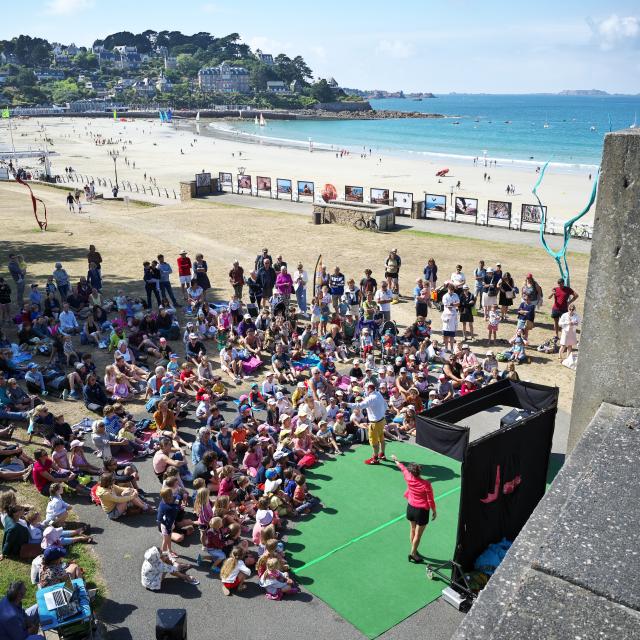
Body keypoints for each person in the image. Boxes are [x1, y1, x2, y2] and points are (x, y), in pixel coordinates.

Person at [391, 454, 437, 563]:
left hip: (410, 508)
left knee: (412, 529)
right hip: (421, 511)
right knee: (418, 534)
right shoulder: (426, 484)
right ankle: (413, 553)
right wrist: (434, 511)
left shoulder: (408, 476)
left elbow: (402, 467)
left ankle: (414, 549)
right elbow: (430, 500)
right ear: (419, 472)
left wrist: (396, 460)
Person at [348, 381, 387, 465]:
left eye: (365, 389)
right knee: (381, 437)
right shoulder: (378, 394)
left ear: (369, 389)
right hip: (382, 420)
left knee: (374, 442)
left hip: (374, 423)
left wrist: (347, 404)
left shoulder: (371, 398)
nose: (364, 391)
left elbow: (360, 406)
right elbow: (385, 404)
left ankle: (375, 458)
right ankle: (382, 454)